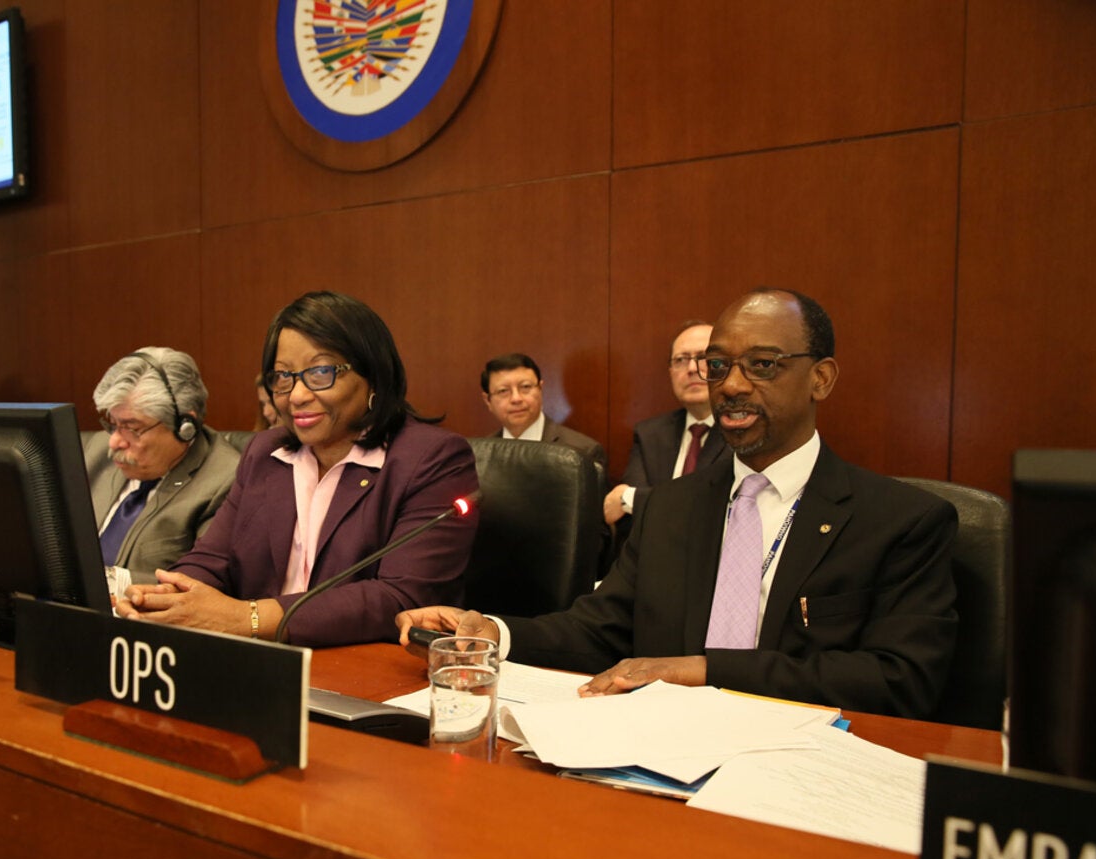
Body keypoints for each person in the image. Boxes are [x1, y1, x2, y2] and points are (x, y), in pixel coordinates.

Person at [399, 288, 958, 719]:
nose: (731, 386)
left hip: (804, 769)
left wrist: (709, 671)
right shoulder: (671, 506)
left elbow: (901, 680)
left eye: (762, 365)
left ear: (821, 379)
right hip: (653, 752)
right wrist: (493, 633)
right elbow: (602, 629)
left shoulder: (899, 521)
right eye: (718, 366)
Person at [118, 290, 479, 647]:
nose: (296, 395)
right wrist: (166, 600)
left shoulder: (433, 459)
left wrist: (250, 619)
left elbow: (402, 597)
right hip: (259, 663)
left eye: (321, 372)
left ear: (373, 374)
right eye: (283, 376)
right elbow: (214, 559)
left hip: (359, 671)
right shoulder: (265, 453)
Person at [85, 348, 241, 586]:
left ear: (185, 426)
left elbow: (201, 588)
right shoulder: (95, 451)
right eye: (113, 424)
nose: (115, 442)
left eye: (132, 427)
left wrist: (105, 582)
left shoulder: (225, 481)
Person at [604, 321, 726, 525]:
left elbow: (712, 504)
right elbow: (629, 519)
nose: (691, 369)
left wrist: (629, 498)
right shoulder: (650, 434)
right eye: (681, 359)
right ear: (670, 372)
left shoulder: (743, 432)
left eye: (704, 358)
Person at [481, 353, 607, 469]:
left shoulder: (583, 451)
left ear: (540, 389)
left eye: (525, 387)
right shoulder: (479, 453)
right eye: (503, 391)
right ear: (488, 401)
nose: (516, 398)